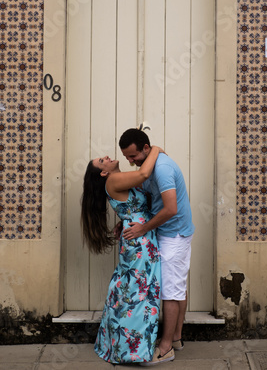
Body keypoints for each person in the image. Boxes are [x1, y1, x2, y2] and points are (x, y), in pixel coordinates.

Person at [118, 128, 195, 366]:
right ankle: (177, 338)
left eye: (134, 156)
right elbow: (145, 199)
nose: (131, 161)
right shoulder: (152, 165)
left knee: (170, 292)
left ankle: (165, 348)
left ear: (146, 149)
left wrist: (142, 228)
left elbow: (170, 208)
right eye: (127, 157)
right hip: (171, 233)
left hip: (175, 236)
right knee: (177, 286)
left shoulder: (161, 168)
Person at [81, 146, 163, 365]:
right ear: (103, 173)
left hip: (138, 236)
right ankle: (132, 351)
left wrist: (124, 219)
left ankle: (123, 346)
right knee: (138, 293)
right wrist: (155, 149)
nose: (107, 157)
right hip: (139, 240)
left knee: (134, 290)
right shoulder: (114, 181)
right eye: (102, 160)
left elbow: (131, 206)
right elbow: (144, 174)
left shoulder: (117, 181)